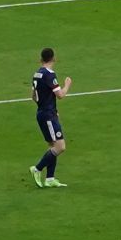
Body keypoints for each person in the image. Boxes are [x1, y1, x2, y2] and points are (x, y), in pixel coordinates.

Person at [30, 47, 72, 189]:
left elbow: (34, 96)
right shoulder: (49, 74)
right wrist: (67, 85)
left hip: (43, 113)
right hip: (48, 115)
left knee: (52, 146)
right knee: (60, 147)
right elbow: (60, 95)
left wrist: (48, 108)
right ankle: (37, 168)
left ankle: (50, 179)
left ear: (41, 59)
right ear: (54, 58)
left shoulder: (37, 74)